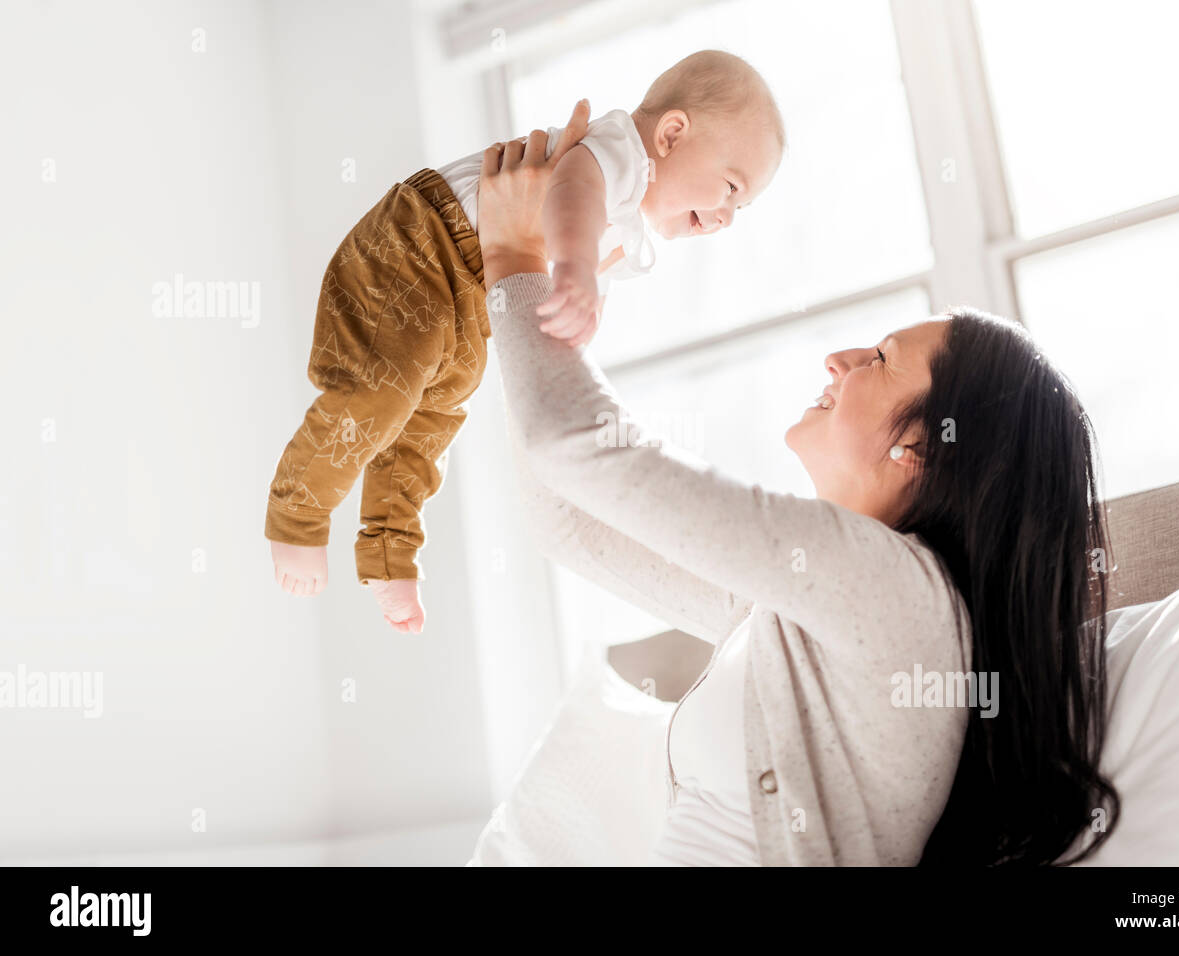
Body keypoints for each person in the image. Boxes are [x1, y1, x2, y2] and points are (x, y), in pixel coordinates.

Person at [474, 113, 1119, 865]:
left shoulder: (893, 593)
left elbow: (574, 449)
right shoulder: (800, 615)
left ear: (922, 447)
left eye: (879, 358)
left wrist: (513, 258)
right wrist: (561, 273)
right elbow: (572, 521)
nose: (838, 360)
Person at [264, 51, 784, 634]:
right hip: (423, 242)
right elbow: (572, 193)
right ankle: (297, 512)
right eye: (731, 187)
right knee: (380, 394)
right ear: (672, 134)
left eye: (743, 206)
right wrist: (577, 268)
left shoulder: (630, 225)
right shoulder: (620, 153)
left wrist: (579, 313)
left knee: (429, 423)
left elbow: (571, 298)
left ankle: (389, 550)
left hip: (473, 298)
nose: (727, 216)